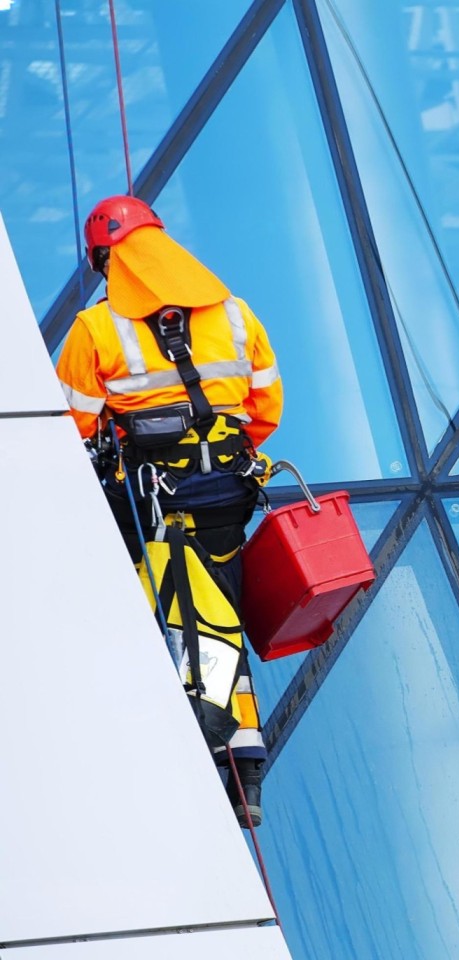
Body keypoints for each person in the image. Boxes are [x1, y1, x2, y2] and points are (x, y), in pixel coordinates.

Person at [56, 195, 283, 827]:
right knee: (221, 612)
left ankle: (189, 744)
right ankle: (246, 762)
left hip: (154, 499)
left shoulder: (96, 329)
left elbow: (70, 426)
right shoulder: (236, 313)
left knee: (165, 615)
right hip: (228, 494)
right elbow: (265, 409)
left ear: (106, 260)